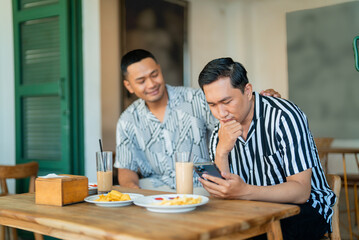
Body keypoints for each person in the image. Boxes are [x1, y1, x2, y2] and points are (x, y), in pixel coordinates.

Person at [197, 57, 336, 239]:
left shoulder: (283, 117)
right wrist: (221, 151)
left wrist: (244, 191)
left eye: (227, 101)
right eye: (212, 105)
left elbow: (301, 192)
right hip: (252, 209)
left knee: (254, 235)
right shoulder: (219, 133)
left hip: (304, 207)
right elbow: (224, 197)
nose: (220, 113)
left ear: (247, 91)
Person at [114, 49, 281, 193]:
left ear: (160, 70)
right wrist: (133, 191)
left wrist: (259, 102)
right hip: (155, 192)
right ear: (128, 86)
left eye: (154, 74)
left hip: (202, 189)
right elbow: (126, 169)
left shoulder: (196, 99)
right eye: (141, 81)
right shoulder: (127, 120)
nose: (151, 84)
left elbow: (233, 120)